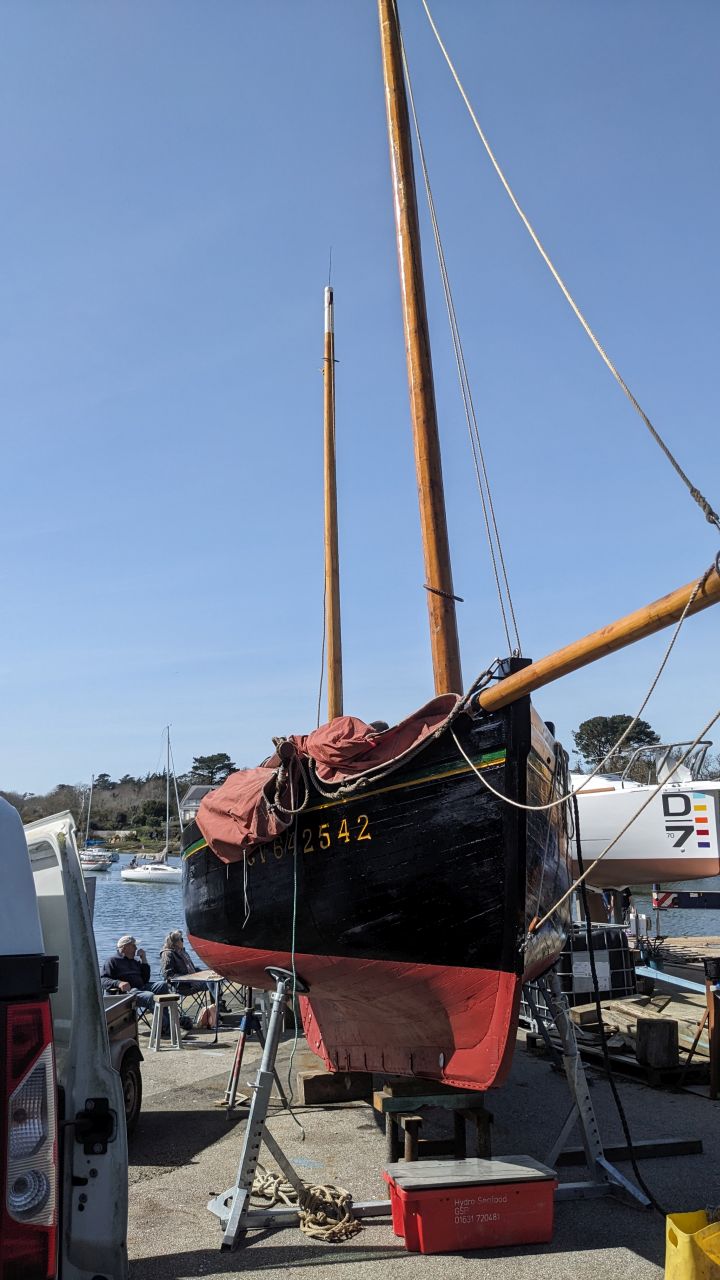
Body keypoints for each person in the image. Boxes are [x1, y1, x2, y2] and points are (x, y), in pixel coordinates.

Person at [101, 934, 170, 1029]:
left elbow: (145, 979)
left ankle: (167, 1023)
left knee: (163, 985)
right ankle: (165, 1028)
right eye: (133, 946)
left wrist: (144, 959)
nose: (136, 948)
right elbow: (103, 980)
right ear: (125, 947)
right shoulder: (112, 961)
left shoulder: (135, 961)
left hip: (141, 988)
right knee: (149, 996)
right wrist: (119, 983)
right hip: (127, 993)